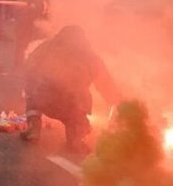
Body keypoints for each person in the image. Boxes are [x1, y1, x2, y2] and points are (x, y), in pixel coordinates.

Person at [20, 25, 121, 155]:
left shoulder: (48, 46)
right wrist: (118, 102)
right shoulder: (91, 57)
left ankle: (33, 127)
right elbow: (106, 84)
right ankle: (75, 138)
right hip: (74, 106)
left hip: (44, 99)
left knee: (32, 91)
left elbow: (30, 64)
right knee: (79, 115)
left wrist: (29, 84)